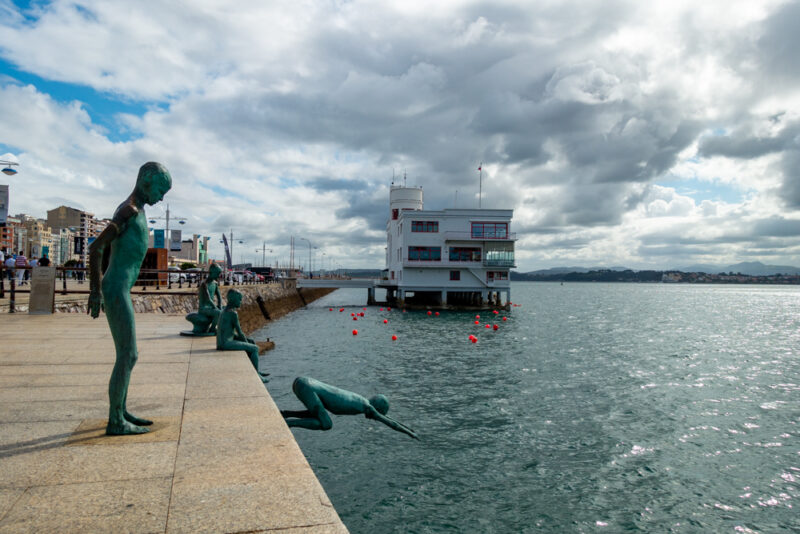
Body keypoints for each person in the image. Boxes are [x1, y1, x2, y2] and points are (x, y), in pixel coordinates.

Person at [88, 162, 172, 435]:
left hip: (120, 289)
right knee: (128, 354)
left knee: (129, 355)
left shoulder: (138, 212)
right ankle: (115, 420)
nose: (161, 197)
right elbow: (96, 248)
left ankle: (121, 410)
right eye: (161, 190)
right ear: (147, 180)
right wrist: (95, 290)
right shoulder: (128, 211)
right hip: (115, 290)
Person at [281, 376, 419, 440]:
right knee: (326, 424)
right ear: (377, 407)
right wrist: (410, 433)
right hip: (307, 387)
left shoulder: (362, 400)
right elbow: (391, 423)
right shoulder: (367, 407)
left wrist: (408, 427)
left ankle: (285, 414)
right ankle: (289, 423)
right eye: (378, 413)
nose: (374, 418)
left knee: (318, 415)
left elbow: (387, 418)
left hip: (303, 382)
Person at [216, 289, 270, 382]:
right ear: (233, 300)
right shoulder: (233, 313)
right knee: (254, 348)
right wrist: (246, 343)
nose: (241, 302)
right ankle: (256, 375)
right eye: (239, 300)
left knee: (251, 342)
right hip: (225, 343)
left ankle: (255, 370)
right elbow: (240, 332)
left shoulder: (224, 310)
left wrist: (248, 341)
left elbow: (228, 331)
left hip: (222, 341)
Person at [197, 262, 223, 331]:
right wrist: (216, 308)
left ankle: (224, 329)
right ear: (211, 272)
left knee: (225, 310)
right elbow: (208, 299)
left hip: (211, 307)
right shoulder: (204, 284)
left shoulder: (215, 283)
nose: (218, 276)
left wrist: (220, 305)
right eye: (217, 273)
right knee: (218, 313)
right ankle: (212, 328)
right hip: (204, 308)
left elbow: (219, 296)